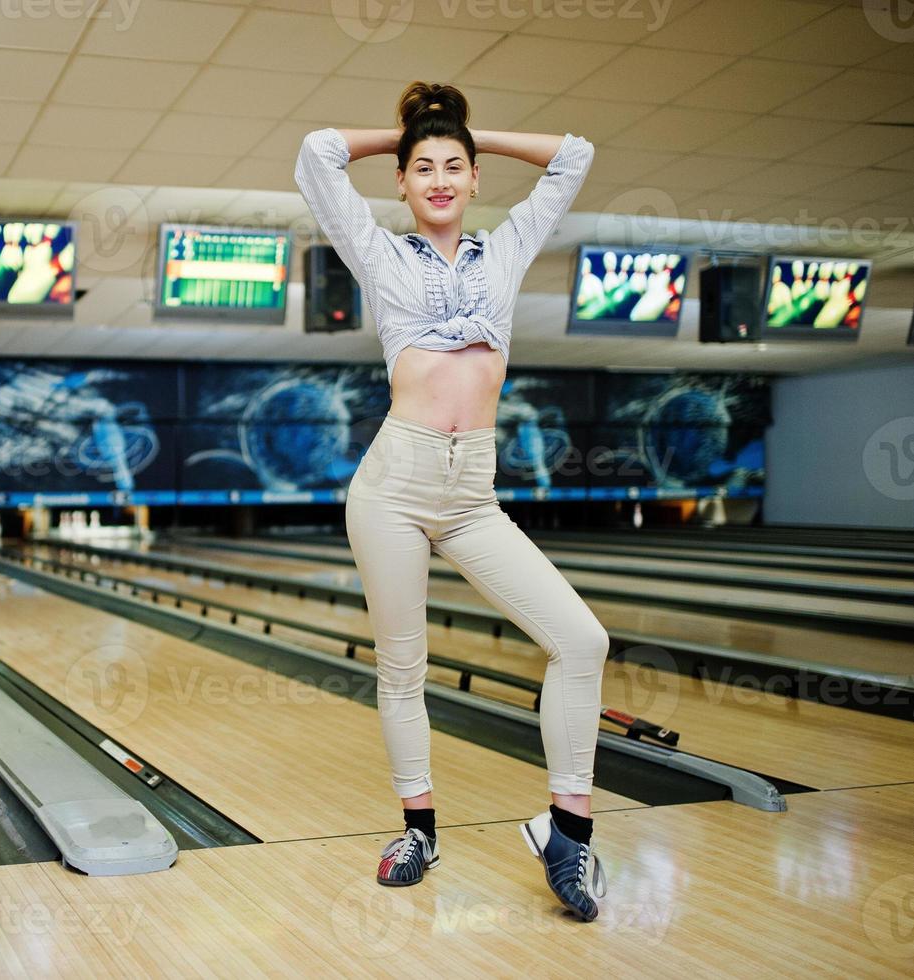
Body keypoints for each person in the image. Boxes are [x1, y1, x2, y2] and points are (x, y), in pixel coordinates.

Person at [293, 81, 609, 921]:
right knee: (404, 670)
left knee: (581, 640)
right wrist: (404, 133)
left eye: (453, 166)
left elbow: (573, 155)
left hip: (472, 492)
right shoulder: (378, 254)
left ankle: (569, 833)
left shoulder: (504, 250)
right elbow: (316, 153)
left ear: (474, 180)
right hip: (392, 486)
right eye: (421, 167)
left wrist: (470, 132)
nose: (438, 178)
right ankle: (418, 829)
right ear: (399, 181)